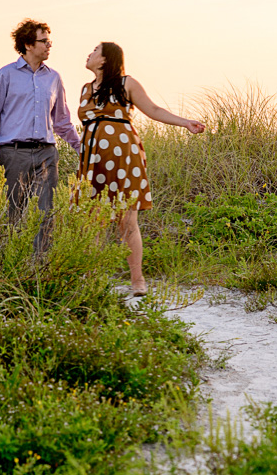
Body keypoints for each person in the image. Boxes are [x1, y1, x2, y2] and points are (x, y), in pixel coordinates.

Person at [74, 41, 205, 296]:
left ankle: (137, 281)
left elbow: (153, 109)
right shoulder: (85, 89)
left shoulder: (126, 83)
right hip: (92, 160)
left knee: (127, 219)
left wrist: (185, 122)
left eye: (94, 51)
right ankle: (91, 278)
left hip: (124, 158)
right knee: (92, 219)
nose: (88, 54)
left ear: (104, 60)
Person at [0, 19, 82, 254]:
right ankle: (4, 263)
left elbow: (62, 122)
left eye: (49, 41)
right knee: (12, 212)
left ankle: (40, 268)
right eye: (43, 41)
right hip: (13, 154)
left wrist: (80, 148)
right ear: (27, 44)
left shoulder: (54, 78)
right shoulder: (5, 75)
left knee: (46, 213)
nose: (49, 46)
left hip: (47, 154)